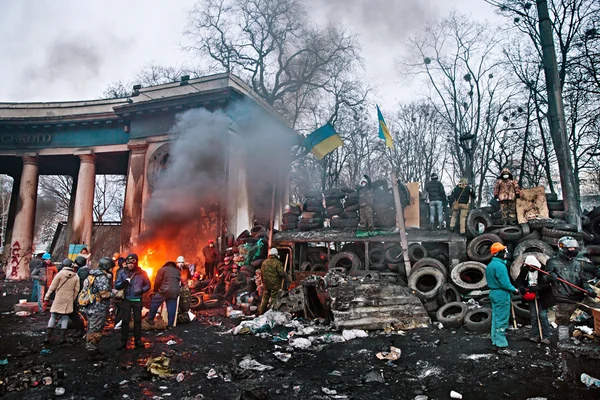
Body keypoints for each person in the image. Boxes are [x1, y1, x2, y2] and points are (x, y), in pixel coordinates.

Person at [546, 236, 597, 343]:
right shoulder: (552, 262)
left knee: (597, 310)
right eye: (570, 248)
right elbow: (545, 278)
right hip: (565, 299)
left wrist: (589, 290)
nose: (572, 250)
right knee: (563, 323)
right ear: (562, 248)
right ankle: (563, 345)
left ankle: (594, 334)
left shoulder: (578, 263)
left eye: (574, 248)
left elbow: (583, 280)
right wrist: (550, 277)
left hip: (581, 297)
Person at [486, 242, 520, 355]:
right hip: (501, 294)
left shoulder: (491, 265)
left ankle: (495, 342)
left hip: (494, 293)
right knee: (502, 320)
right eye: (504, 251)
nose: (506, 253)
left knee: (496, 318)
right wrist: (515, 290)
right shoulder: (500, 266)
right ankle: (502, 346)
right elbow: (505, 283)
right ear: (499, 253)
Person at [516, 255, 555, 345]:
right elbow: (518, 280)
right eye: (528, 267)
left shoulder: (543, 271)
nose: (530, 268)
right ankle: (535, 335)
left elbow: (549, 285)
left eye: (531, 267)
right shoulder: (525, 270)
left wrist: (538, 288)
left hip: (542, 297)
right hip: (530, 295)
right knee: (533, 316)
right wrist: (521, 287)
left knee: (543, 316)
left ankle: (546, 336)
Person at [81, 257, 114, 360]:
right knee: (95, 330)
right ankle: (92, 352)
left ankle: (91, 348)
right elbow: (104, 294)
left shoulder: (91, 275)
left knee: (91, 328)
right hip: (98, 308)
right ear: (107, 266)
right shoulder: (102, 277)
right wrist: (115, 293)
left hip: (90, 307)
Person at [115, 254, 150, 349]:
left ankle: (138, 341)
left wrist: (141, 290)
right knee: (125, 321)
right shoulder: (122, 272)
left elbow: (148, 285)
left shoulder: (142, 273)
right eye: (128, 263)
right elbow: (117, 285)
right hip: (126, 300)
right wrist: (123, 283)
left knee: (138, 321)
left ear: (136, 263)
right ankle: (123, 342)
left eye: (132, 262)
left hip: (137, 300)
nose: (130, 265)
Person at [42, 258, 80, 344]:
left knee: (53, 316)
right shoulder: (76, 276)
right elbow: (76, 290)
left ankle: (47, 337)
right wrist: (72, 299)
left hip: (59, 298)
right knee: (65, 317)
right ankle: (62, 338)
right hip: (69, 299)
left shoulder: (60, 274)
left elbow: (52, 287)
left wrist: (46, 297)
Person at [146, 261, 181, 330]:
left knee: (155, 302)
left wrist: (155, 291)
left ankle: (150, 319)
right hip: (175, 291)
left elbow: (157, 281)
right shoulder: (177, 271)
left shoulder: (163, 269)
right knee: (171, 308)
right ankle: (170, 325)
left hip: (165, 291)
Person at [258, 248, 287, 315]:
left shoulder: (264, 262)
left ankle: (260, 311)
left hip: (266, 283)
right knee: (274, 297)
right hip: (275, 284)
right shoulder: (277, 263)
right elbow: (281, 274)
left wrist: (263, 282)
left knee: (265, 296)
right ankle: (270, 311)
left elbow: (261, 273)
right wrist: (285, 273)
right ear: (276, 255)